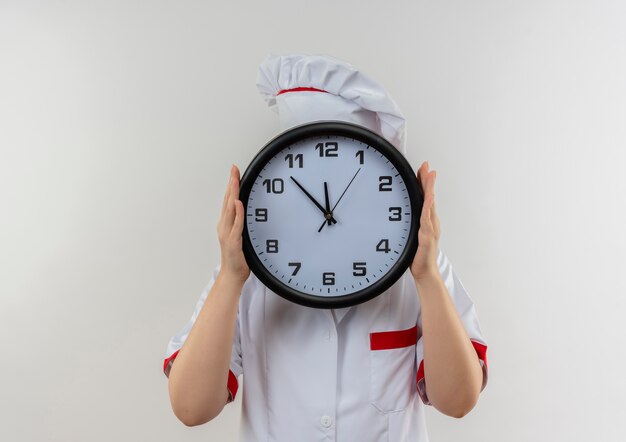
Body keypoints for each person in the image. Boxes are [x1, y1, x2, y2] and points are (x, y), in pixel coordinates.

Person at [163, 54, 488, 442]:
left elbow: (458, 402)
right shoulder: (246, 277)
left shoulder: (421, 272)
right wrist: (232, 276)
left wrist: (428, 277)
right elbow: (190, 407)